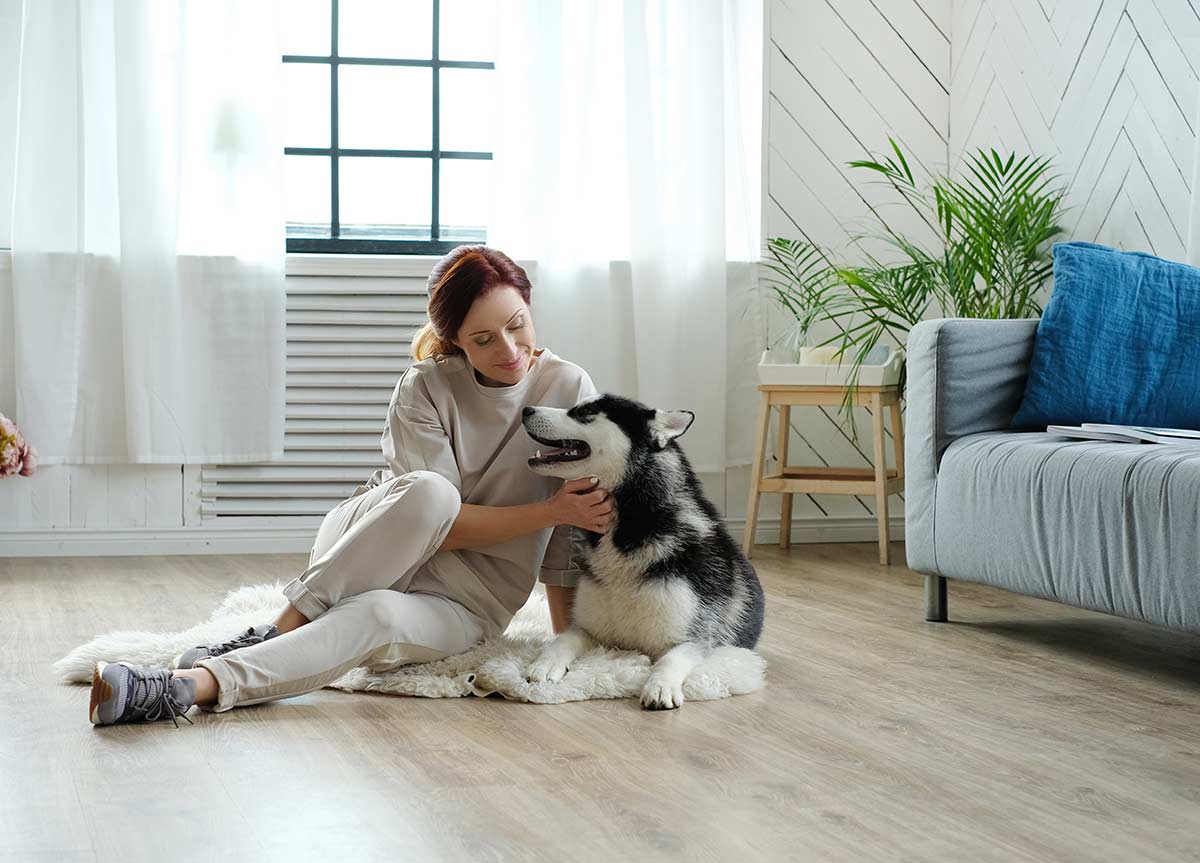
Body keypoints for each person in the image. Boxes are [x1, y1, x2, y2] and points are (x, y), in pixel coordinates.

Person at [88, 245, 615, 728]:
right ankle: (280, 628)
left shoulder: (570, 389)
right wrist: (551, 512)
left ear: (528, 304)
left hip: (467, 603)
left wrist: (566, 635)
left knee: (380, 616)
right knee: (433, 492)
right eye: (482, 338)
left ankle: (183, 688)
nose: (509, 349)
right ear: (455, 340)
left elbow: (579, 523)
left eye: (516, 324)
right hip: (374, 543)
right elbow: (443, 526)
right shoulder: (426, 384)